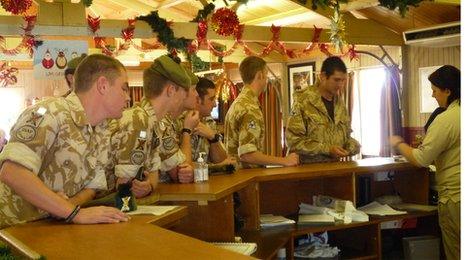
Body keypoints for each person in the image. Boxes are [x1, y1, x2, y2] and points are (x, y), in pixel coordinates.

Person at [0, 54, 130, 229]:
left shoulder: (101, 129)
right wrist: (73, 212)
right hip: (11, 232)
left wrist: (65, 206)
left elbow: (92, 186)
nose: (128, 97)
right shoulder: (48, 113)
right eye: (124, 88)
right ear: (103, 85)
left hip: (50, 229)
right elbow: (12, 172)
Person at [389, 65, 460, 260]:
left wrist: (399, 144)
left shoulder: (448, 119)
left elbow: (421, 159)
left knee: (456, 250)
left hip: (455, 196)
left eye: (435, 91)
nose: (433, 96)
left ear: (448, 91)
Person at [107, 55, 195, 196]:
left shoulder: (152, 121)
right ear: (171, 90)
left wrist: (148, 186)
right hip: (103, 205)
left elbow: (153, 171)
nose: (185, 97)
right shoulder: (139, 121)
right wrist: (141, 187)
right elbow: (125, 186)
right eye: (184, 91)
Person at [224, 56, 299, 168]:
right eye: (266, 75)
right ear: (260, 75)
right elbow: (247, 155)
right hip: (246, 178)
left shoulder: (238, 103)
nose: (266, 80)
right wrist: (284, 161)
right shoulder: (250, 108)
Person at [286, 56, 360, 163]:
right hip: (308, 172)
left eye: (343, 80)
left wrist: (352, 147)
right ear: (323, 76)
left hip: (336, 171)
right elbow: (294, 142)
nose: (340, 85)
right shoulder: (303, 101)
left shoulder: (340, 104)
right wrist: (327, 149)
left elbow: (346, 137)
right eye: (336, 80)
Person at [158, 68, 199, 183]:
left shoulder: (178, 120)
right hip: (159, 198)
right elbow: (181, 173)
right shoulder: (162, 121)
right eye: (193, 90)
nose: (197, 95)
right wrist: (187, 130)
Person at [190, 77, 233, 165]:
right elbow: (182, 169)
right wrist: (216, 167)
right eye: (211, 99)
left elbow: (221, 159)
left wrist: (212, 137)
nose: (214, 104)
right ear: (198, 99)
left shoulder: (209, 122)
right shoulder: (181, 122)